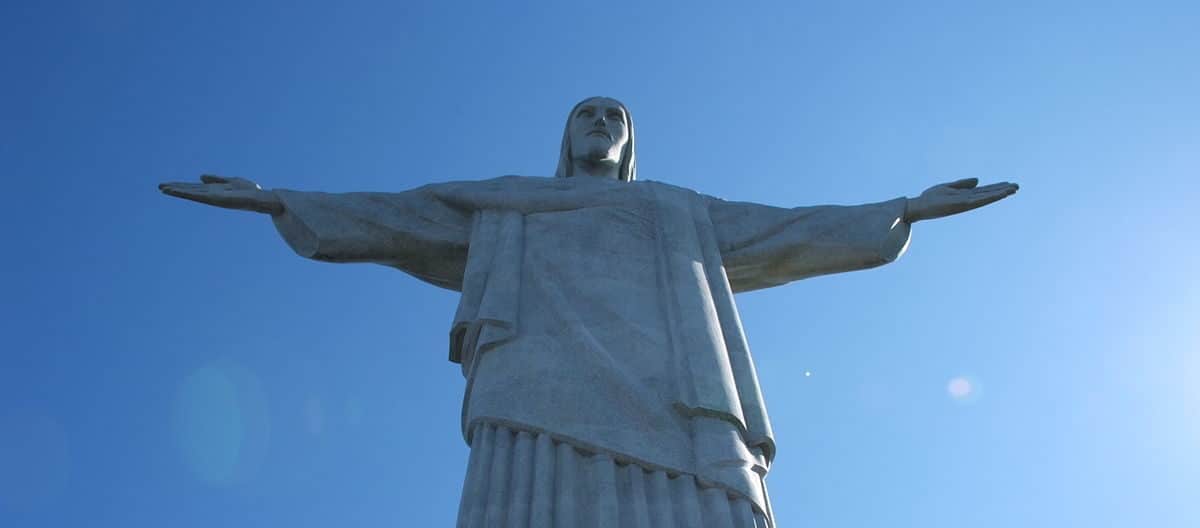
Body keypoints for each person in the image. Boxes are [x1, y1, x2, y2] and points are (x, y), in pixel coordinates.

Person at [160, 96, 1017, 527]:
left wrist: (899, 209)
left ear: (629, 141)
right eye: (585, 115)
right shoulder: (508, 201)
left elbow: (786, 230)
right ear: (566, 137)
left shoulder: (675, 211)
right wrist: (278, 200)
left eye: (613, 117)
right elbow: (397, 216)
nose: (600, 124)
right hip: (535, 379)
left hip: (676, 395)